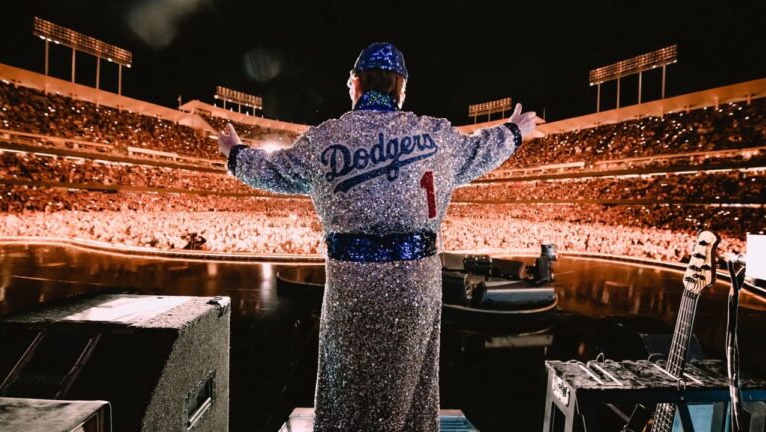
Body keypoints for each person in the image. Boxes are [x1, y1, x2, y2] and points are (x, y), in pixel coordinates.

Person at [218, 42, 539, 431]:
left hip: (351, 284)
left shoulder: (325, 140)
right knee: (413, 383)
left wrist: (236, 155)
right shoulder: (434, 135)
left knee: (348, 382)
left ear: (355, 84)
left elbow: (274, 170)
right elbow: (481, 150)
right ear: (401, 89)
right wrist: (513, 132)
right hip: (417, 283)